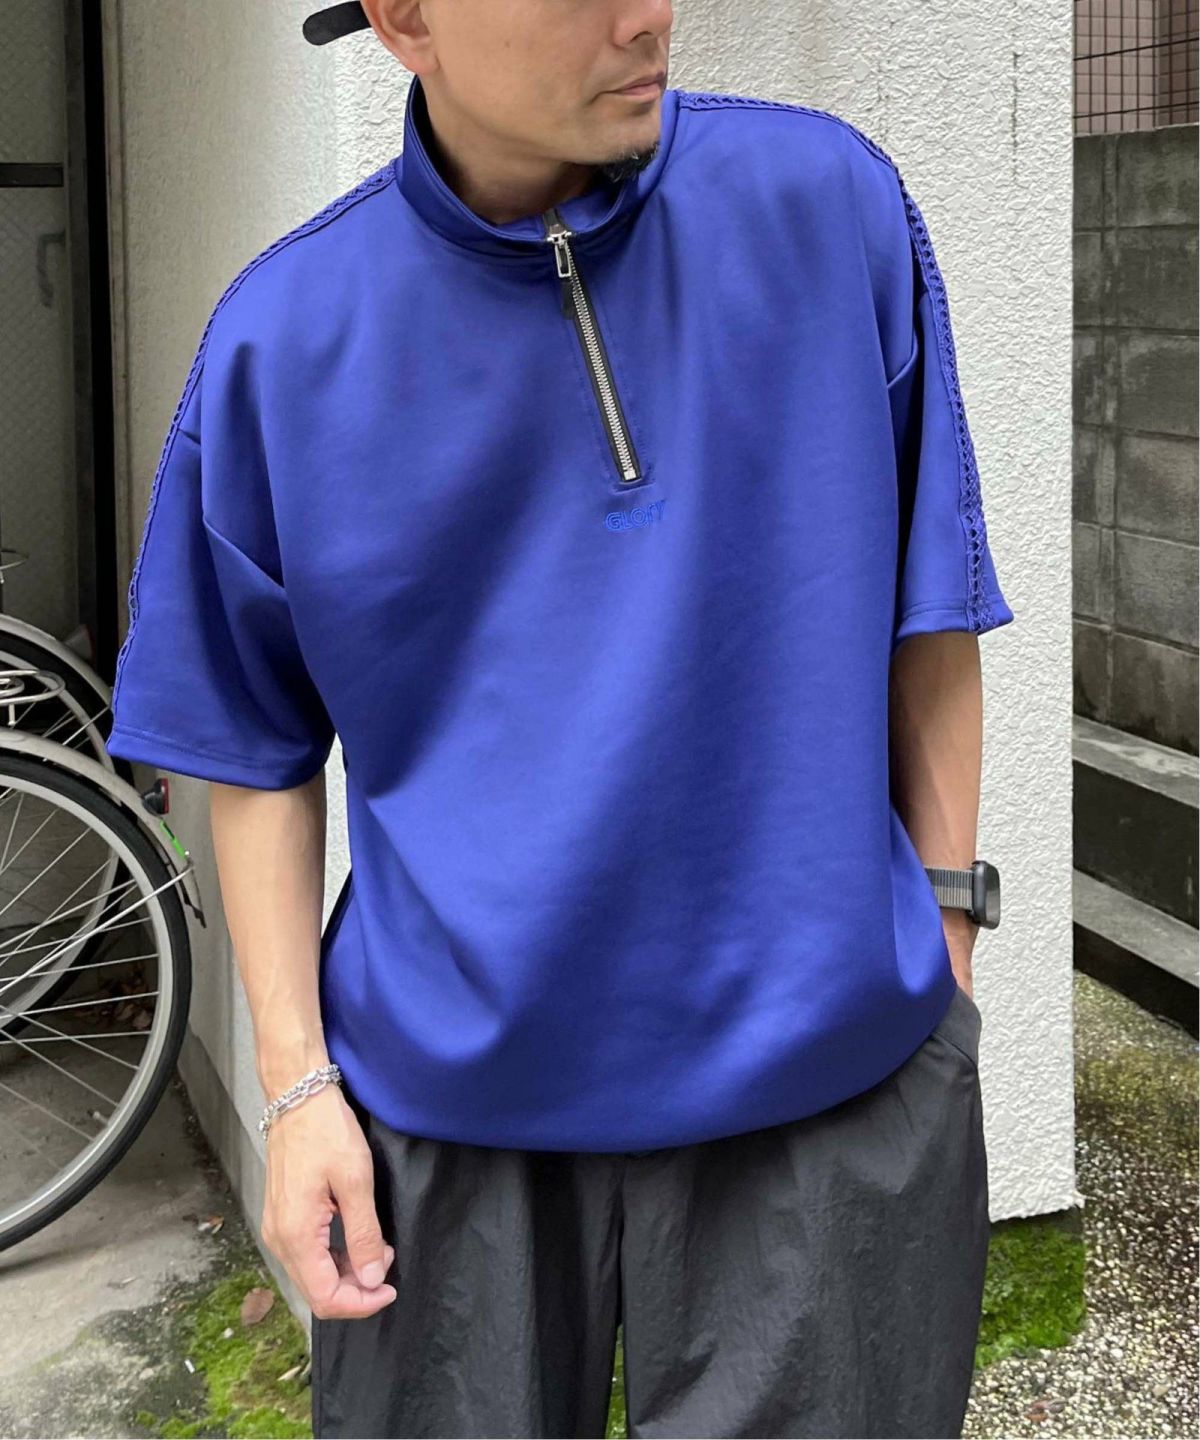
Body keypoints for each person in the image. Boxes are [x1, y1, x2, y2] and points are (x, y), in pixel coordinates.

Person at [106, 0, 1016, 1435]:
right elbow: (250, 745)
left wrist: (947, 927)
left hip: (825, 1093)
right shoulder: (286, 340)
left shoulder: (827, 208)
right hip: (444, 1129)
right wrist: (294, 1091)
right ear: (406, 18)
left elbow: (930, 604)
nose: (648, 13)